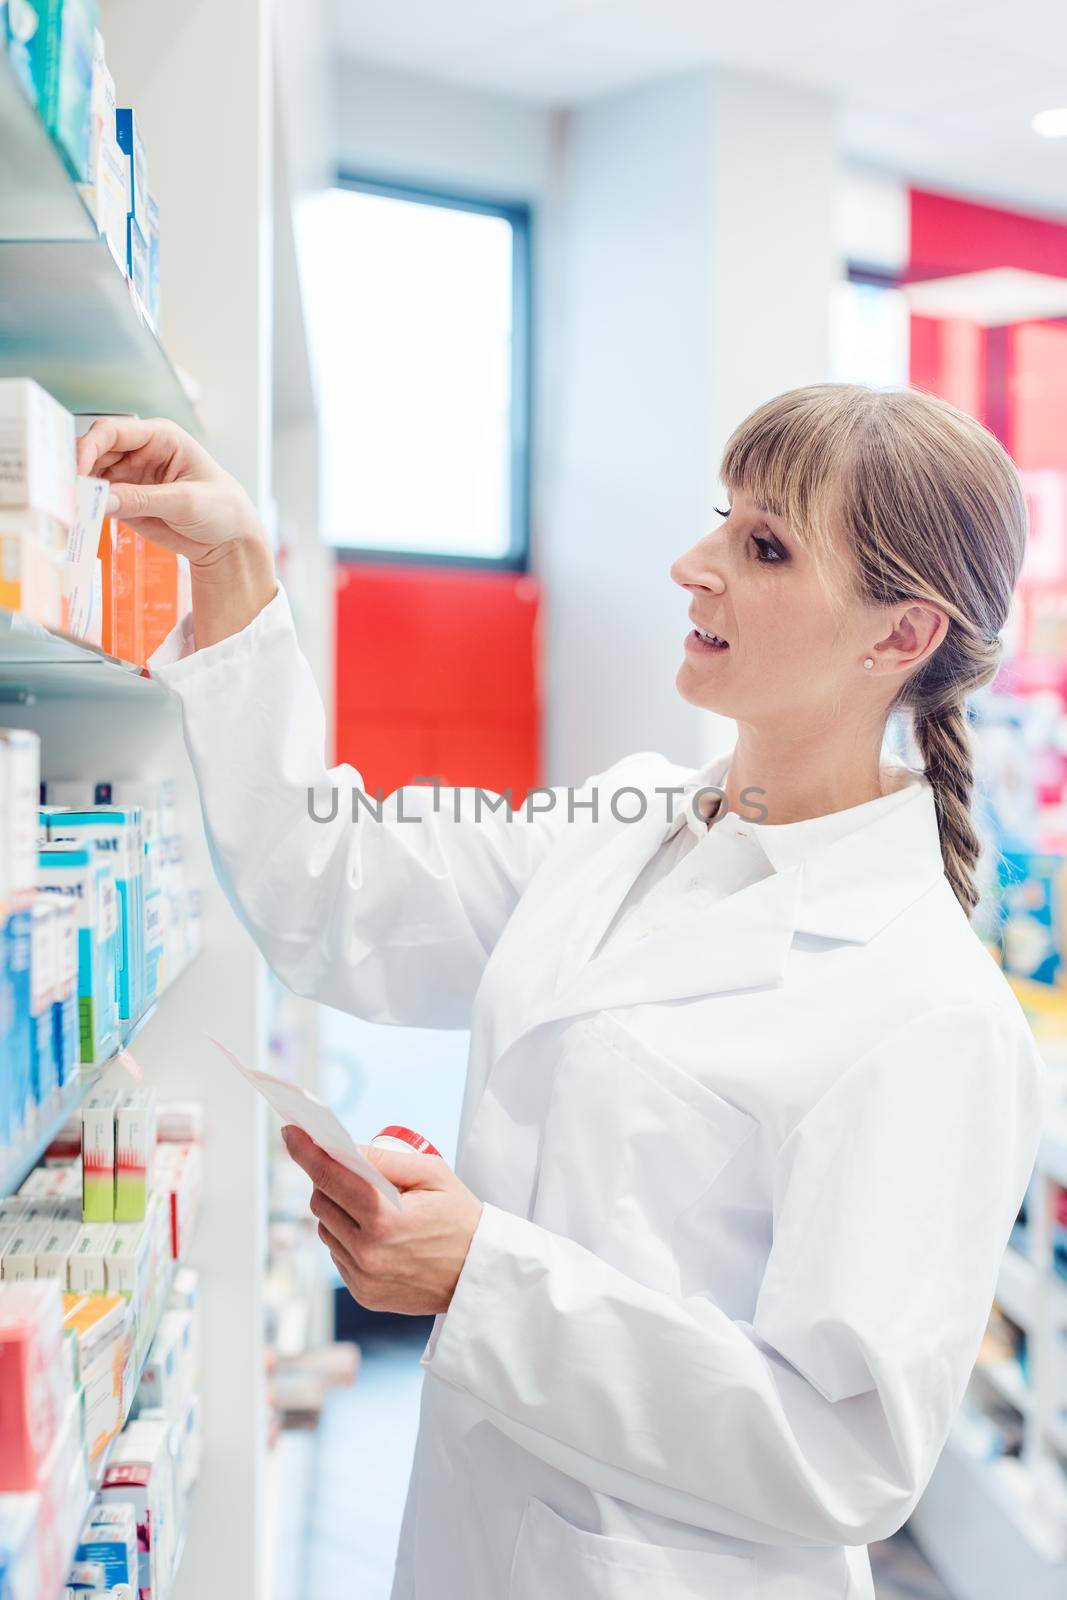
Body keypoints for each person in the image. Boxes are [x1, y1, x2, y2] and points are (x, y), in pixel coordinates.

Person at [77, 384, 1045, 1600]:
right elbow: (332, 887)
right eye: (720, 519)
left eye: (762, 547)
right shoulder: (624, 822)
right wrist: (231, 571)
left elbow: (845, 1451)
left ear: (898, 636)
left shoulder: (927, 1008)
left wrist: (481, 1277)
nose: (692, 566)